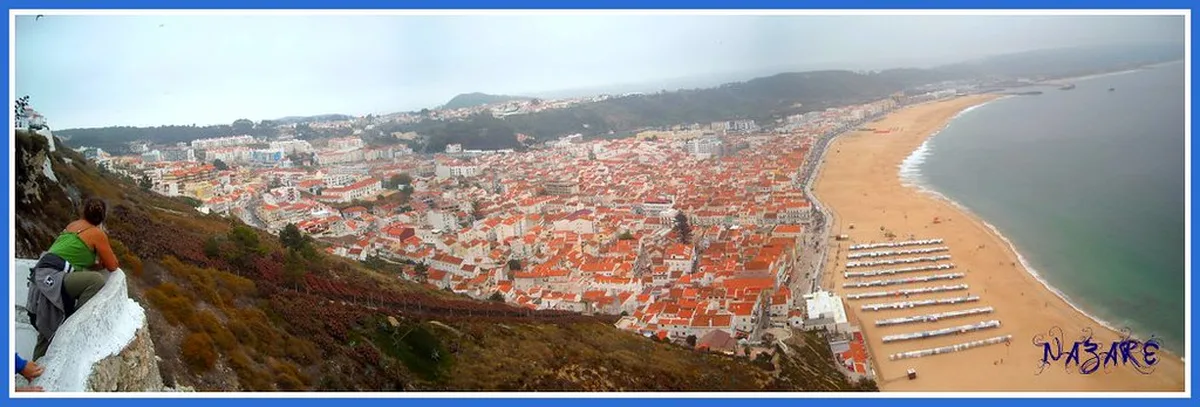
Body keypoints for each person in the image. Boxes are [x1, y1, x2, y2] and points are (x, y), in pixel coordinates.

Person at [28, 197, 120, 359]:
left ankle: (34, 373)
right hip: (53, 277)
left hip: (42, 275)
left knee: (46, 333)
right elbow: (112, 266)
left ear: (83, 212)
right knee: (95, 281)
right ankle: (74, 323)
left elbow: (73, 257)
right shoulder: (97, 234)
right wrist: (103, 261)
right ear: (103, 216)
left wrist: (94, 263)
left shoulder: (72, 226)